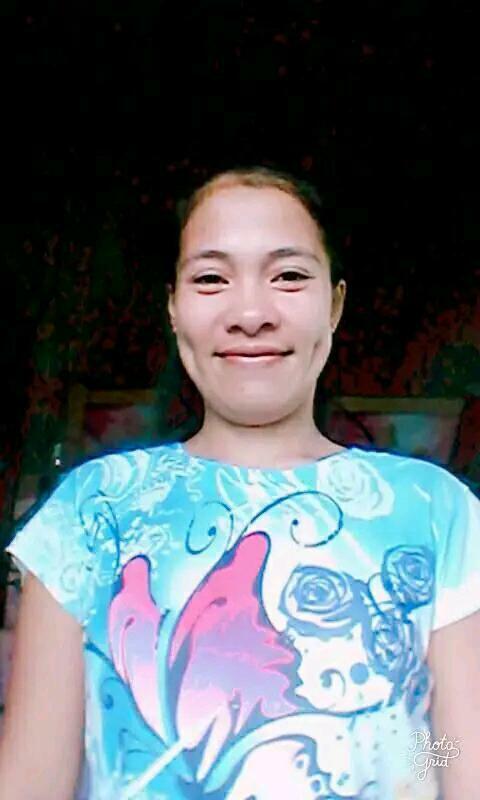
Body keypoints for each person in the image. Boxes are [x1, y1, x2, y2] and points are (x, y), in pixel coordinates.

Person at [1, 165, 479, 800]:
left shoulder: (435, 508)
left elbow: (455, 749)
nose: (250, 313)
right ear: (174, 309)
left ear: (334, 306)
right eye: (211, 279)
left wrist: (408, 764)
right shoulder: (93, 510)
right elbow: (33, 777)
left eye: (288, 276)